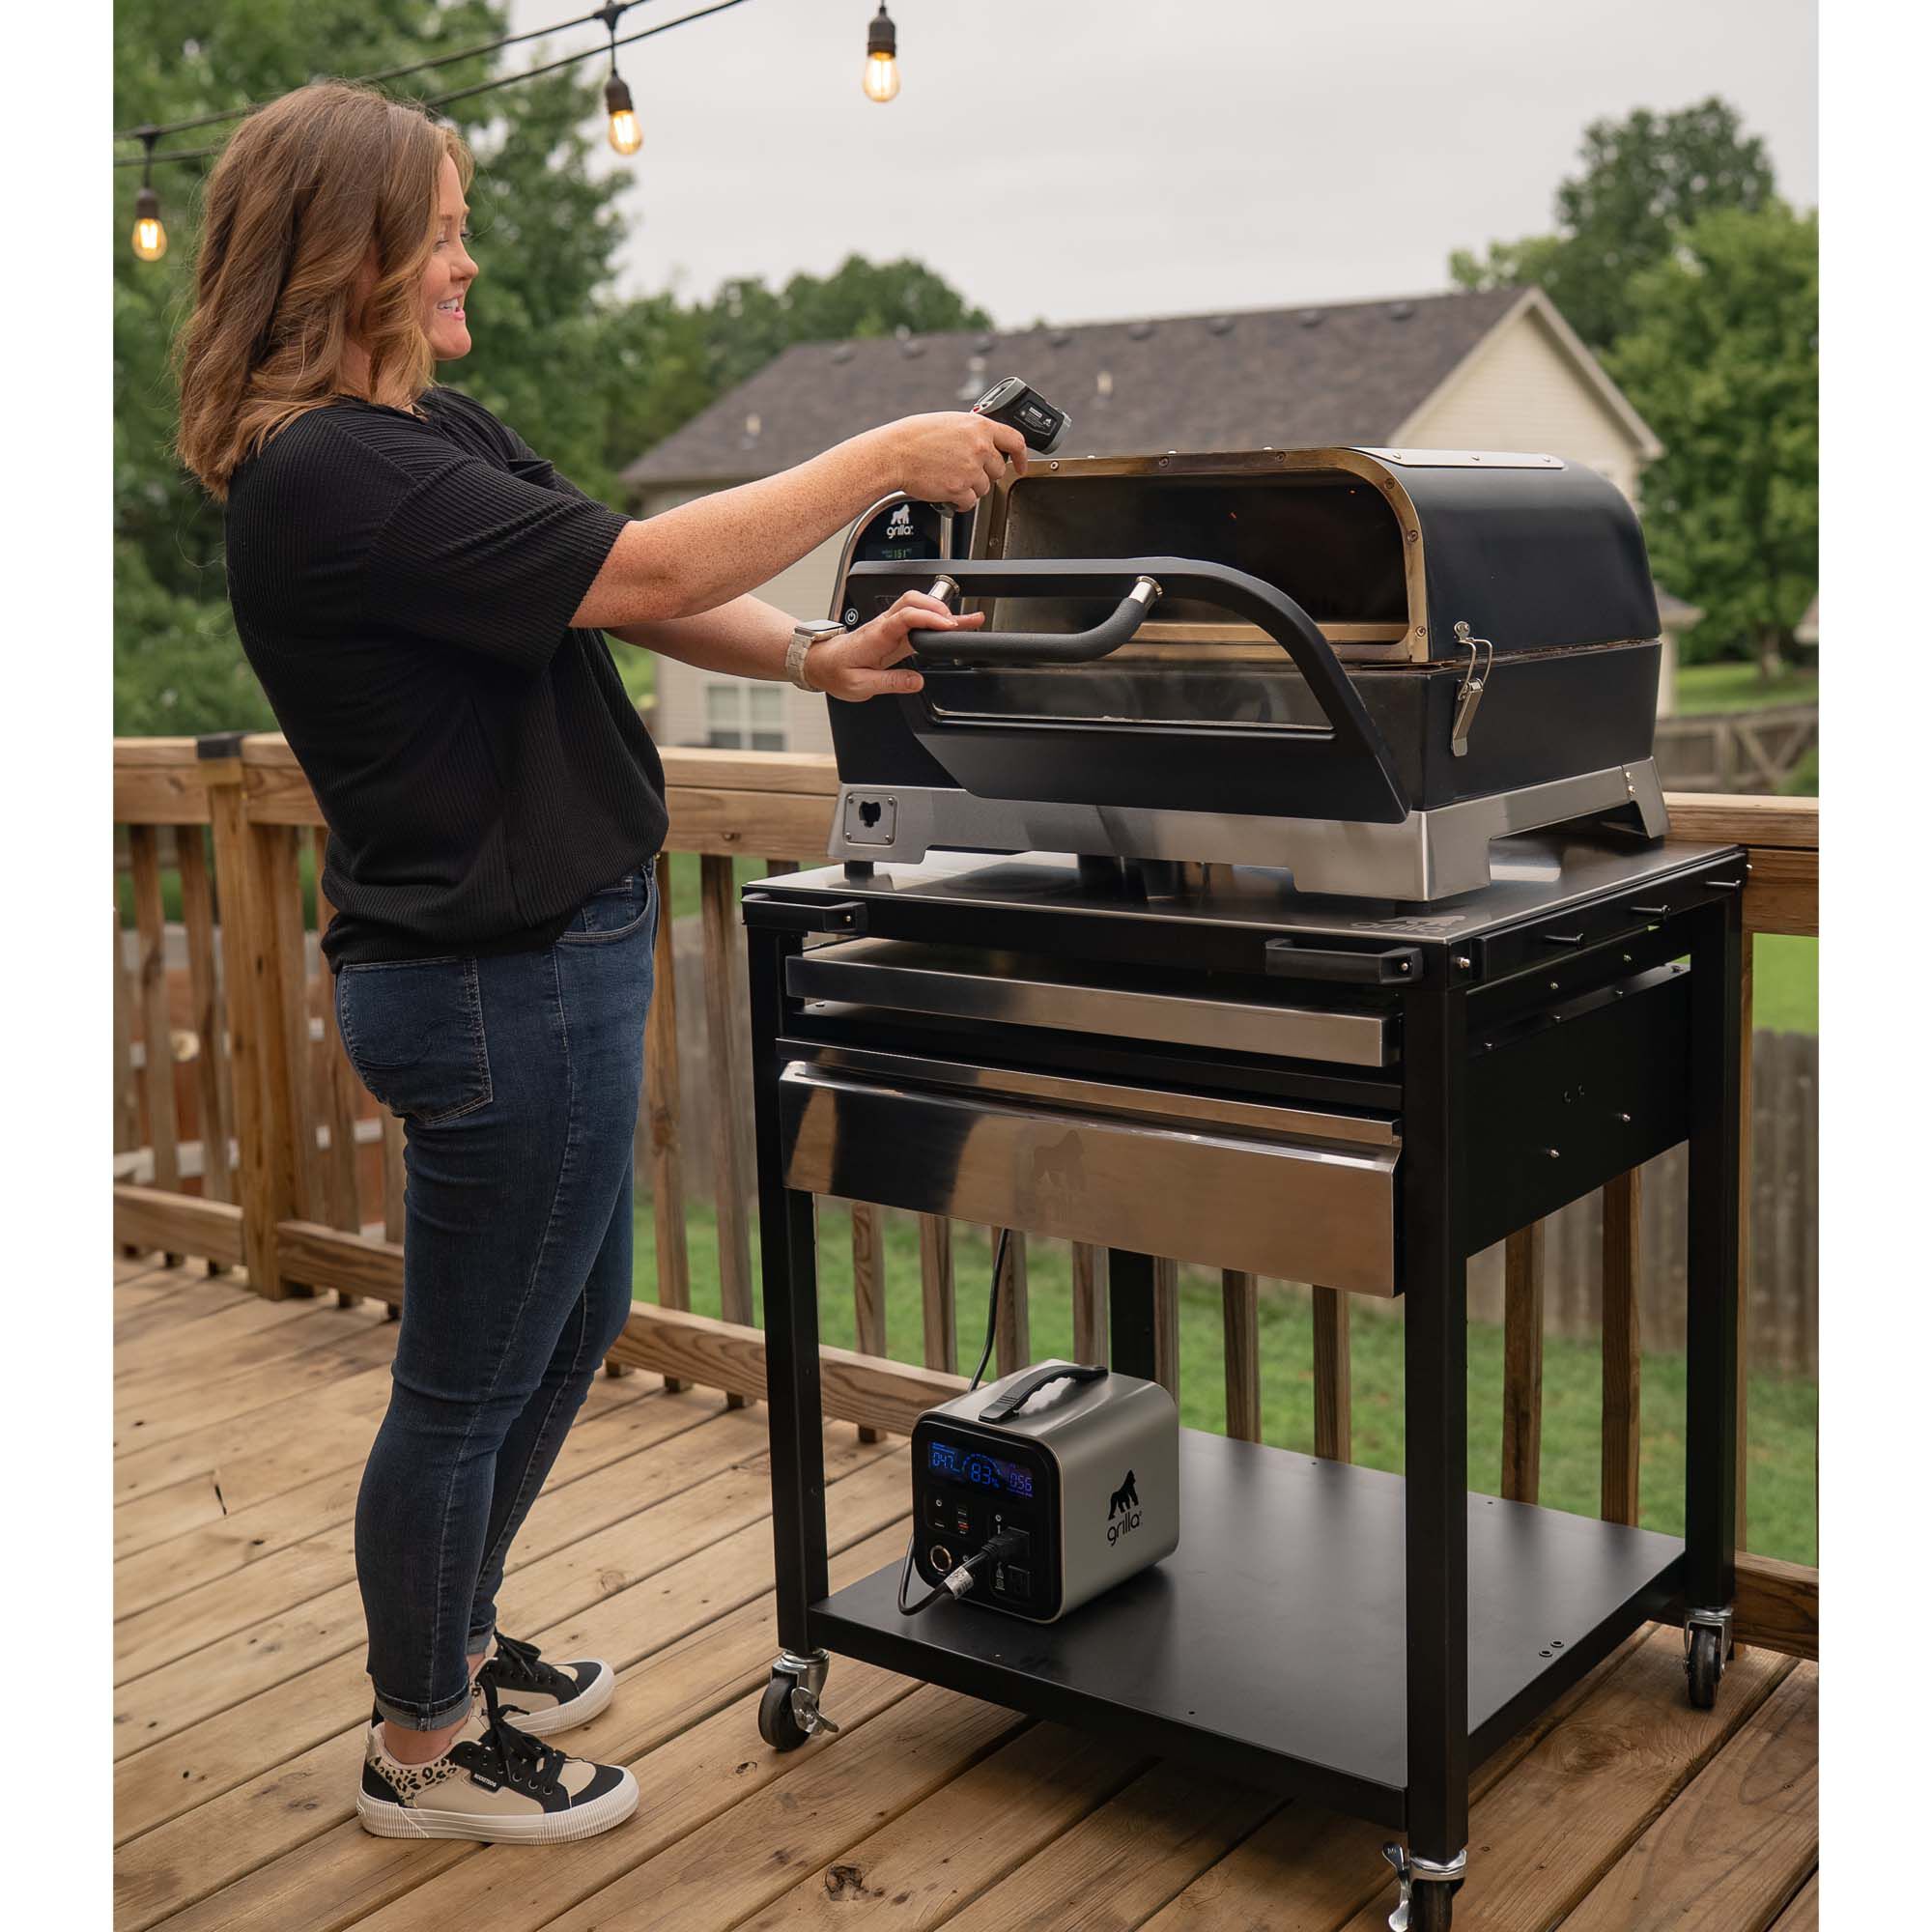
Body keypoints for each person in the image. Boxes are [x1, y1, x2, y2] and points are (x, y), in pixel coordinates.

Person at [173, 79, 1024, 1844]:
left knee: (562, 1338)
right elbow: (644, 556)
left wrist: (815, 658)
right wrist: (883, 457)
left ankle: (455, 1640)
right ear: (356, 257)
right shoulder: (333, 475)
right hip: (496, 983)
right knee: (470, 1379)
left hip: (544, 963)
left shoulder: (427, 437)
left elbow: (617, 589)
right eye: (444, 228)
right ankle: (422, 1745)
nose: (468, 254)